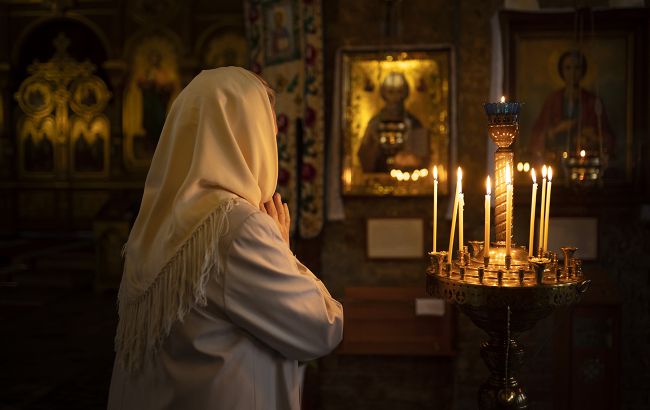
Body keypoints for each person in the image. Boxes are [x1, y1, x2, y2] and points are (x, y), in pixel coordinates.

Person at [108, 67, 343, 409]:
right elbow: (321, 329)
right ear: (248, 135)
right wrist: (282, 248)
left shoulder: (155, 221)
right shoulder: (238, 226)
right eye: (268, 130)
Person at [531, 50, 615, 164]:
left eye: (577, 68)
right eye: (568, 68)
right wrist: (557, 130)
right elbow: (538, 135)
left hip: (585, 161)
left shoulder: (593, 101)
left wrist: (593, 136)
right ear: (561, 71)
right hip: (556, 161)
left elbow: (607, 137)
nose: (572, 73)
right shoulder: (552, 100)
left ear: (583, 71)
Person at [357, 71, 430, 173]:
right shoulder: (374, 124)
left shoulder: (414, 123)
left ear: (405, 93)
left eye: (399, 91)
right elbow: (364, 156)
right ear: (384, 93)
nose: (395, 97)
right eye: (391, 92)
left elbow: (423, 157)